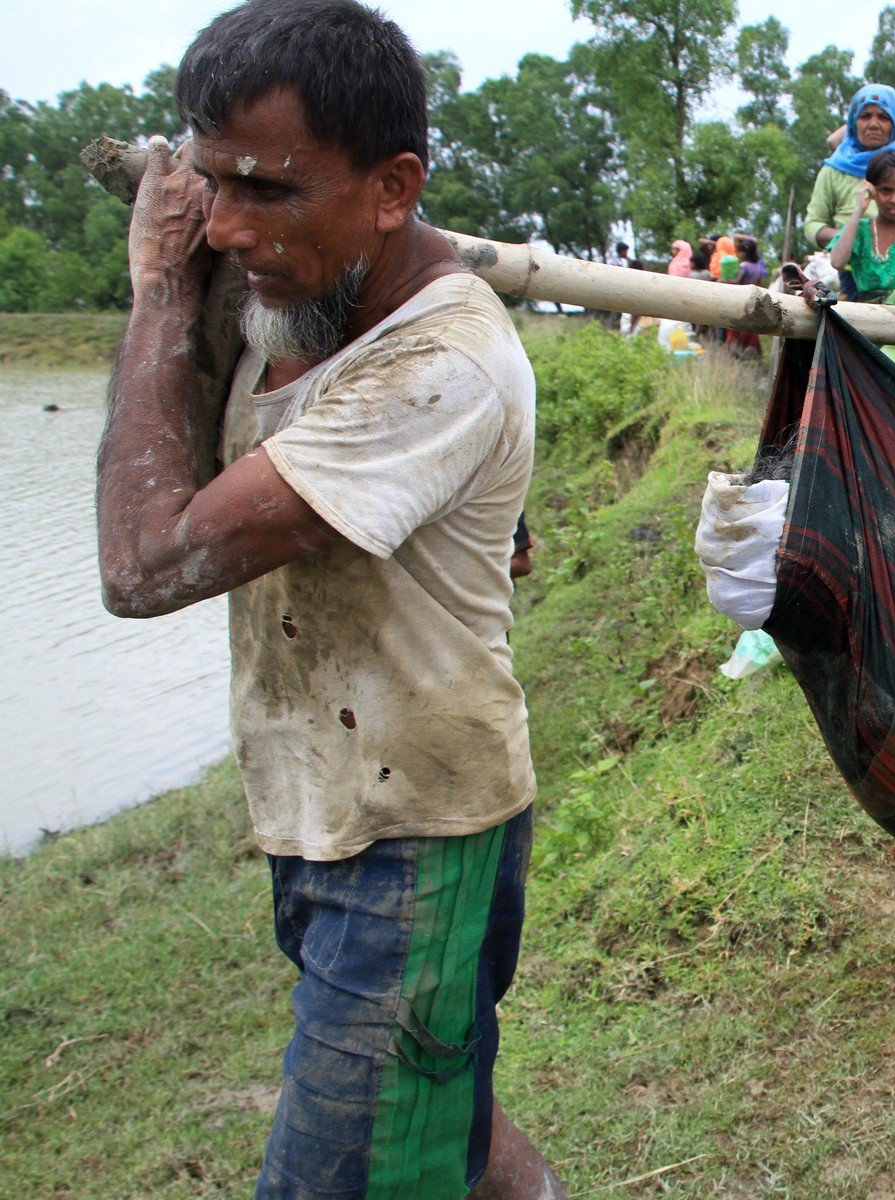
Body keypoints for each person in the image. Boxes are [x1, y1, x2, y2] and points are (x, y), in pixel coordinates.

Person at [93, 2, 564, 1196]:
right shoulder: (296, 295)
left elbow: (144, 564)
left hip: (416, 840)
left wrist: (159, 293)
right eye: (210, 183)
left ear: (393, 189)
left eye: (268, 190)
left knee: (340, 1169)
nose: (227, 227)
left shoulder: (440, 362)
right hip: (320, 805)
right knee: (440, 1113)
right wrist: (205, 283)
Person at [803, 84, 895, 251]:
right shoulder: (834, 169)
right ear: (853, 122)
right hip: (849, 262)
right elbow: (813, 224)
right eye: (865, 116)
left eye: (883, 117)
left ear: (894, 123)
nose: (873, 124)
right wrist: (849, 237)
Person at [827, 149, 895, 304]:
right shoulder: (859, 231)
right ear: (872, 190)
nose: (894, 199)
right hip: (862, 315)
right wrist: (858, 210)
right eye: (886, 190)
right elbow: (837, 262)